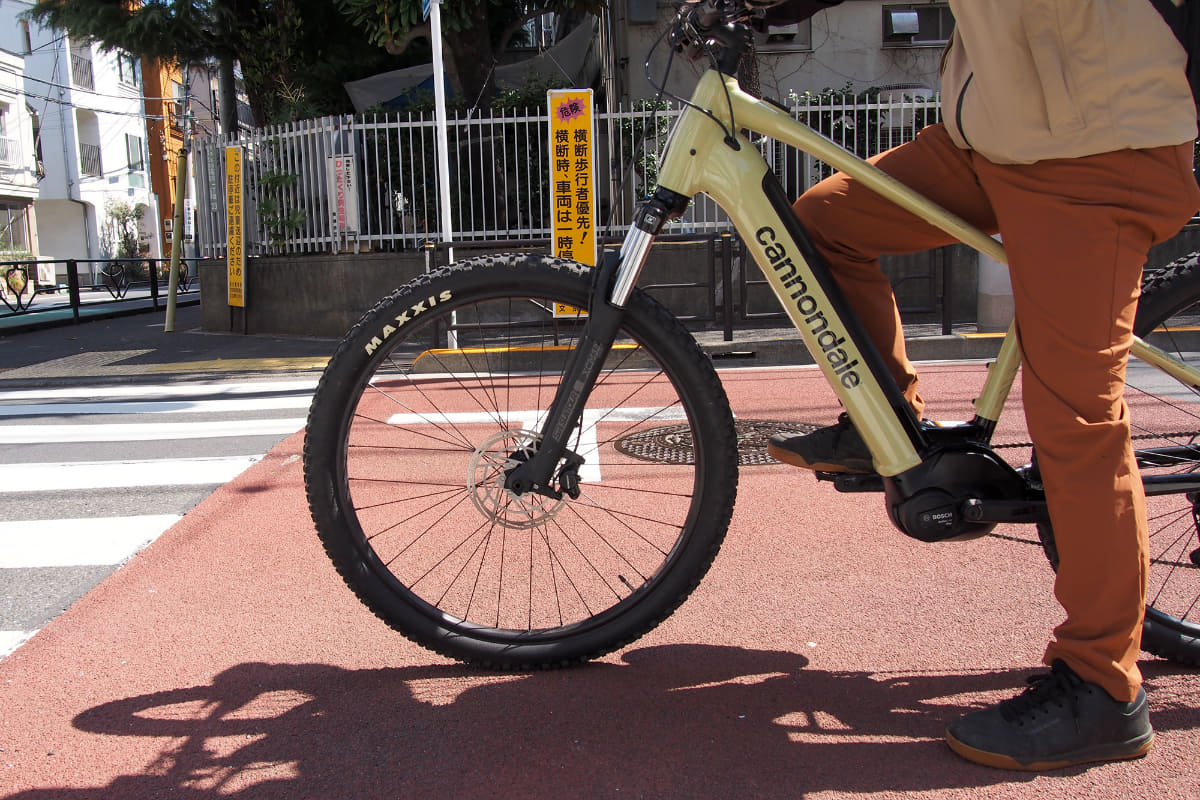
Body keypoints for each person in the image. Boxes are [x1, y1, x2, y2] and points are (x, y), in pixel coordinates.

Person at [752, 0, 1200, 770]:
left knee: (1074, 419)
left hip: (1091, 146)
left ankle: (1104, 689)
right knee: (823, 224)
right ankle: (883, 423)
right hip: (996, 136)